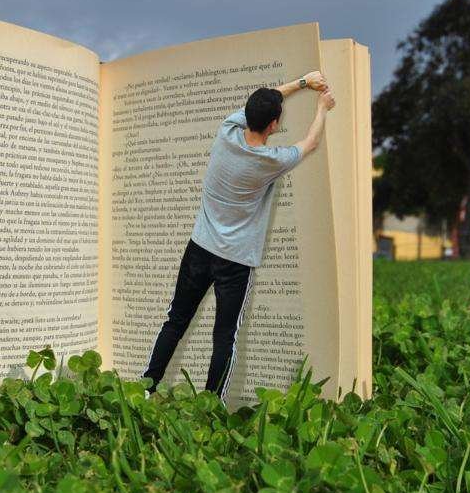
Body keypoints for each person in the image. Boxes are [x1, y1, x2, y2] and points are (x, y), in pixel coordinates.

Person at [141, 71, 335, 400]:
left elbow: (265, 100)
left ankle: (146, 387)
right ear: (274, 125)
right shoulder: (271, 161)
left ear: (247, 114)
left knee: (175, 320)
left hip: (199, 248)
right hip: (235, 260)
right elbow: (311, 143)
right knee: (224, 336)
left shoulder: (226, 131)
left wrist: (301, 83)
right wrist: (322, 106)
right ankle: (211, 406)